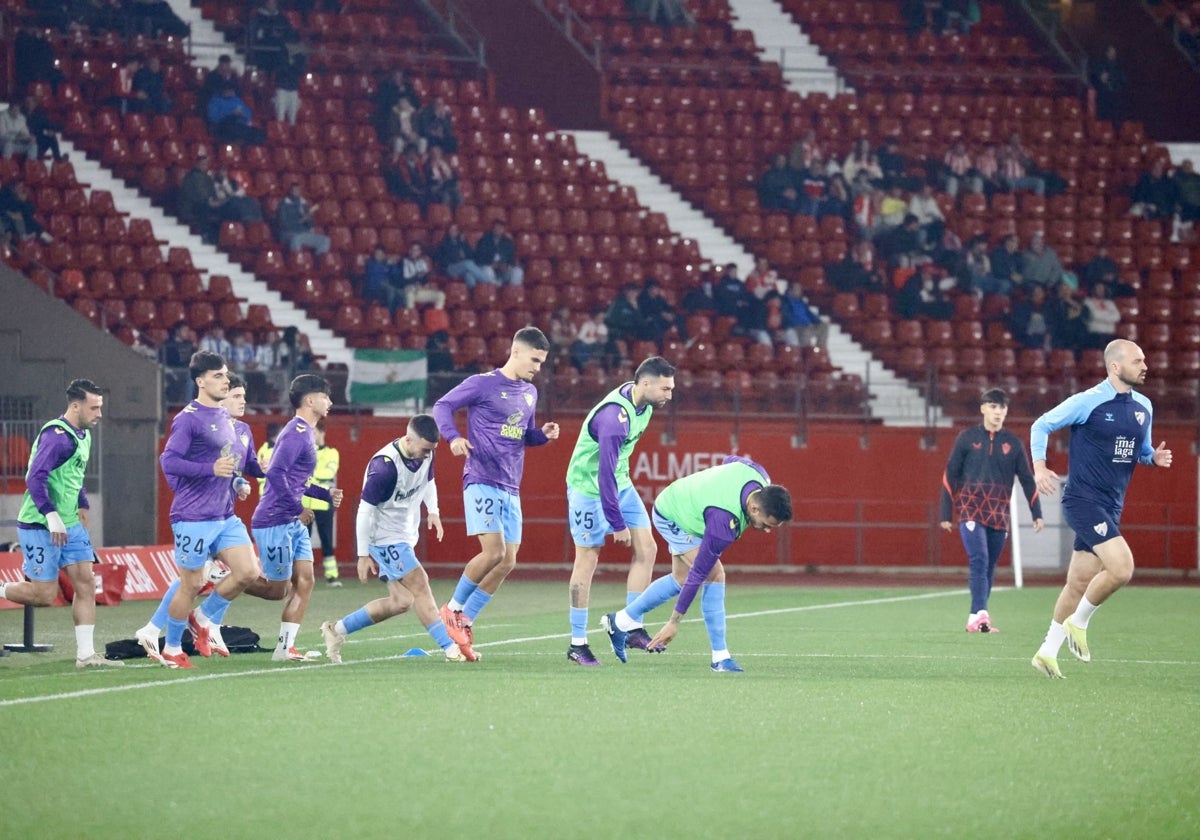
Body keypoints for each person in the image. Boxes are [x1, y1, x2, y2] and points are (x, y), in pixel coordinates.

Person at [1029, 339, 1172, 678]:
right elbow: (1041, 425)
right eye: (1138, 360)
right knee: (1122, 568)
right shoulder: (1088, 401)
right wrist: (1039, 467)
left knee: (1078, 582)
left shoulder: (1145, 406)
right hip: (1082, 501)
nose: (1145, 365)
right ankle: (1079, 623)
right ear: (1115, 367)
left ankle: (1047, 652)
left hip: (1112, 505)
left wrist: (1154, 458)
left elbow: (1141, 450)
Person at [432, 327, 561, 661]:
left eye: (543, 361)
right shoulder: (483, 383)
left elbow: (522, 436)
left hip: (510, 484)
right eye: (535, 359)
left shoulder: (530, 392)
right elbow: (442, 406)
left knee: (508, 561)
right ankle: (452, 609)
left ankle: (465, 620)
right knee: (493, 552)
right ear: (515, 351)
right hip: (481, 477)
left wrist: (542, 435)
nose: (538, 367)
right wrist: (452, 438)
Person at [602, 456, 792, 671]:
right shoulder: (723, 523)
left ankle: (619, 621)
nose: (767, 531)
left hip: (686, 502)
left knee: (680, 579)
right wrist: (674, 622)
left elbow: (730, 460)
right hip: (672, 515)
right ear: (755, 508)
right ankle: (720, 657)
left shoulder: (758, 474)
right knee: (714, 574)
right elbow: (699, 574)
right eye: (767, 525)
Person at [319, 415, 470, 663]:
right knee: (420, 583)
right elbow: (365, 510)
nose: (427, 455)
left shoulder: (426, 452)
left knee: (402, 602)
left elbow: (428, 481)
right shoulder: (384, 467)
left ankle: (336, 630)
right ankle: (450, 647)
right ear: (409, 439)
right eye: (424, 450)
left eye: (432, 450)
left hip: (405, 533)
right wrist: (363, 554)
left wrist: (433, 511)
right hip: (384, 537)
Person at [0, 379, 122, 668]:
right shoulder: (57, 436)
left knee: (86, 584)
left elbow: (72, 474)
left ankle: (85, 656)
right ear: (75, 405)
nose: (99, 413)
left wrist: (82, 502)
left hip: (70, 525)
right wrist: (52, 516)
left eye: (100, 407)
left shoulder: (83, 434)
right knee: (44, 594)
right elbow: (34, 478)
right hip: (40, 525)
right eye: (94, 407)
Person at [134, 374, 260, 653]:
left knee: (246, 571)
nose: (243, 401)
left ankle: (201, 620)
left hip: (224, 514)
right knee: (192, 581)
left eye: (242, 395)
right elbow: (170, 461)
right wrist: (189, 484)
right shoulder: (197, 422)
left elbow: (241, 467)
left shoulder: (242, 431)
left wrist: (244, 479)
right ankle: (162, 634)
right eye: (236, 395)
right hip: (196, 515)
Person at [564, 357, 677, 666]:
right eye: (666, 389)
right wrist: (617, 523)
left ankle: (629, 625)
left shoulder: (646, 405)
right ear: (646, 384)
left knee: (648, 549)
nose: (670, 395)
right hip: (588, 491)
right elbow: (602, 474)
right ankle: (577, 644)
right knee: (587, 559)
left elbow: (614, 471)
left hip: (621, 484)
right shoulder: (614, 418)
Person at [250, 374, 343, 661]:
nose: (330, 402)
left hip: (292, 521)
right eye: (325, 396)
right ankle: (226, 577)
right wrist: (296, 509)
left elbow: (297, 480)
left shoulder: (306, 432)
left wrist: (324, 493)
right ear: (310, 400)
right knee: (278, 590)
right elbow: (275, 474)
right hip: (276, 519)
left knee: (306, 581)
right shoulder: (294, 433)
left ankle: (283, 648)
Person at [939, 388, 1044, 633]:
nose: (998, 412)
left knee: (989, 567)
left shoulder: (1014, 443)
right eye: (994, 407)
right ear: (983, 408)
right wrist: (946, 513)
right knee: (979, 559)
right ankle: (981, 614)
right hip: (970, 508)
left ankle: (975, 618)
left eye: (1002, 408)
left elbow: (1027, 479)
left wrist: (1036, 512)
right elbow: (950, 475)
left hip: (999, 513)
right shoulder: (966, 438)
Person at [302, 422, 342, 587]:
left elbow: (329, 472)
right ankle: (304, 576)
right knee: (304, 542)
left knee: (327, 540)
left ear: (321, 432)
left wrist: (311, 474)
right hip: (306, 504)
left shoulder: (332, 453)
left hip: (324, 502)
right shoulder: (304, 452)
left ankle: (332, 576)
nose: (311, 435)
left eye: (314, 431)